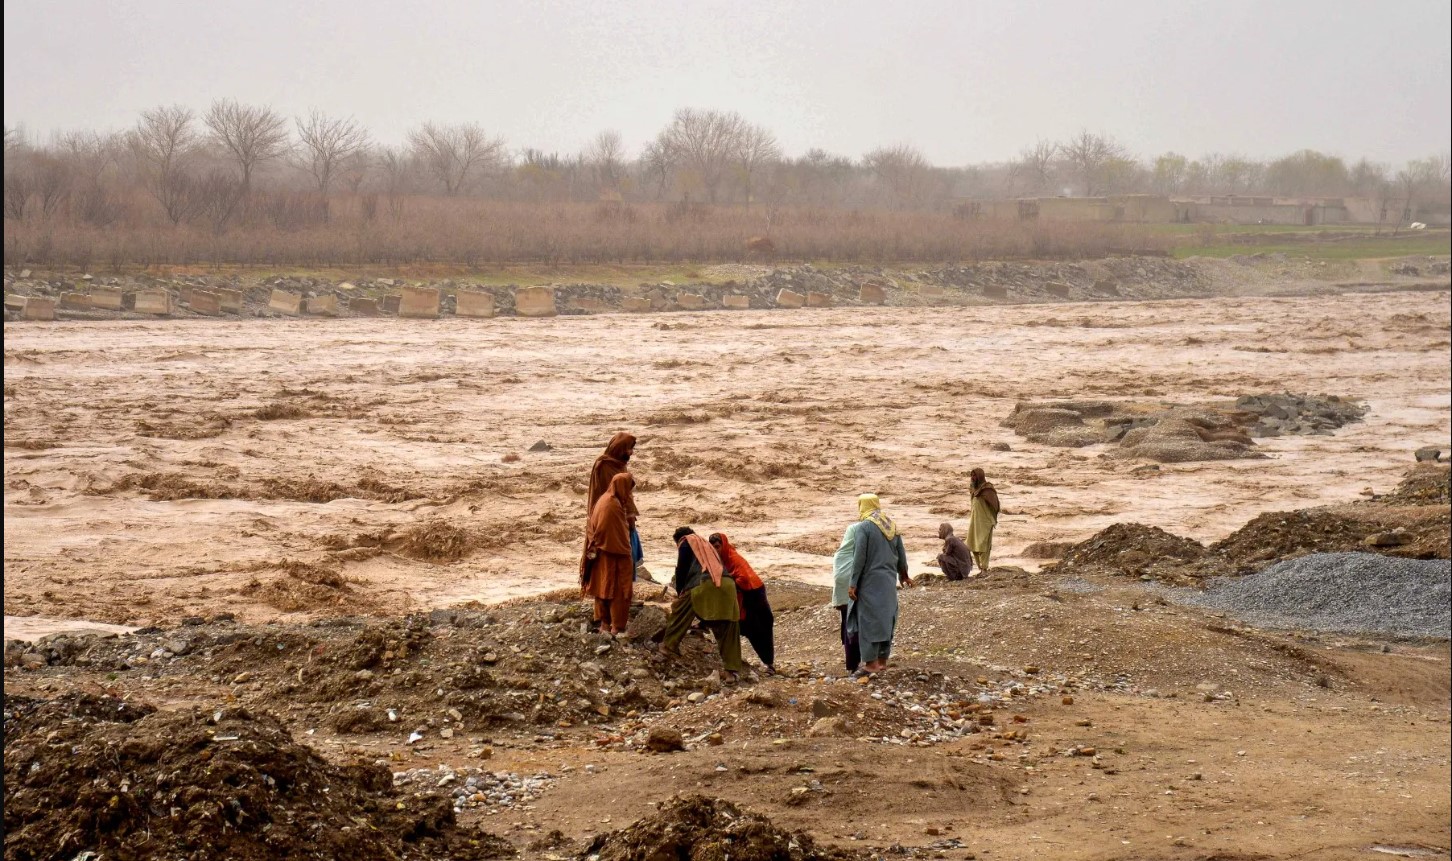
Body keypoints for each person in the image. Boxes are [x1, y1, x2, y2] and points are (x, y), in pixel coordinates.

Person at [656, 526, 744, 680]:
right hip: (728, 585)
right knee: (728, 626)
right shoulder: (705, 544)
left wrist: (680, 591)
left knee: (680, 611)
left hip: (704, 583)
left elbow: (682, 570)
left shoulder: (686, 541)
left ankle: (667, 647)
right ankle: (732, 672)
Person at [846, 493, 910, 676]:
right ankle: (882, 661)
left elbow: (859, 558)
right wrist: (904, 575)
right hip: (888, 582)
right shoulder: (890, 525)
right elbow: (901, 553)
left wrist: (853, 584)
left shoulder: (864, 527)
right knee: (885, 620)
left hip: (869, 582)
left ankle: (871, 664)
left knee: (868, 622)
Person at [586, 433, 643, 629]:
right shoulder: (604, 466)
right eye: (629, 448)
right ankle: (611, 622)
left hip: (620, 521)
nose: (631, 453)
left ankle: (607, 619)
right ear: (620, 448)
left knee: (612, 575)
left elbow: (623, 494)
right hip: (608, 527)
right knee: (612, 575)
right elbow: (606, 496)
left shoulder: (620, 468)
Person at [709, 532, 775, 674]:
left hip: (753, 594)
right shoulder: (721, 560)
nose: (715, 550)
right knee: (742, 627)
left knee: (760, 628)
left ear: (723, 546)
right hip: (744, 596)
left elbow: (744, 578)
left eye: (717, 547)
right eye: (712, 548)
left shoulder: (734, 559)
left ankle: (768, 663)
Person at [580, 473, 636, 637]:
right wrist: (627, 552)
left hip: (601, 556)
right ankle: (616, 627)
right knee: (620, 591)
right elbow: (612, 534)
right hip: (615, 557)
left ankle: (605, 624)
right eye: (628, 489)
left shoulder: (605, 500)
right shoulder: (612, 506)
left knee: (603, 589)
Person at [830, 519, 863, 674]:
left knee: (846, 621)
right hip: (853, 590)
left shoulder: (841, 554)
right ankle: (855, 663)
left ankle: (851, 663)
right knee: (855, 624)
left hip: (844, 593)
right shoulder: (856, 555)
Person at [967, 468, 1000, 572]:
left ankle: (984, 568)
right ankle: (980, 567)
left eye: (975, 475)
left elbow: (996, 505)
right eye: (971, 475)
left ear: (980, 476)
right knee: (972, 544)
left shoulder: (987, 489)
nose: (972, 478)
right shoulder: (973, 488)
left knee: (983, 545)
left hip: (985, 521)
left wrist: (992, 519)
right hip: (974, 521)